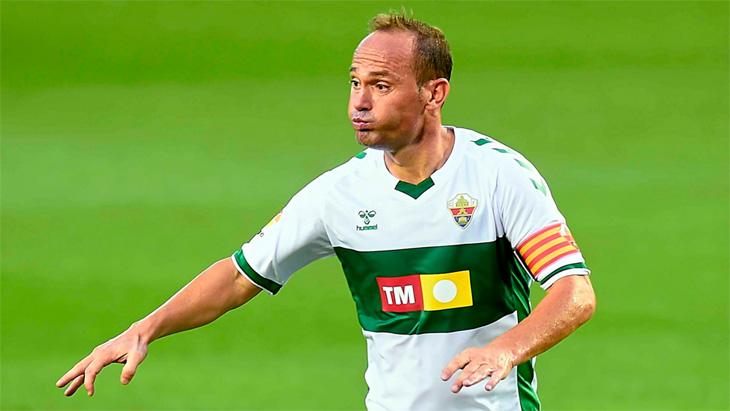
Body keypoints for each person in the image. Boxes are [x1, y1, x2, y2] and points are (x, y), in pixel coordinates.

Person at [56, 12, 595, 411]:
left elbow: (574, 292)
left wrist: (504, 351)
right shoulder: (339, 193)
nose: (360, 102)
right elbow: (240, 275)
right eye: (355, 83)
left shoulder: (498, 175)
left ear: (435, 93)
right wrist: (146, 328)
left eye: (381, 86)